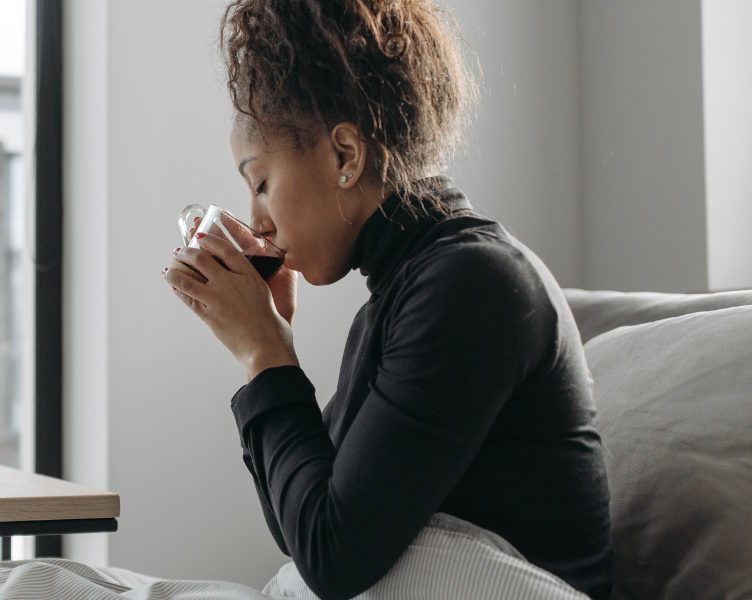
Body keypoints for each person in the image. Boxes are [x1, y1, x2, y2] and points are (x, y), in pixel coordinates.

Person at [162, 1, 613, 599]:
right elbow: (306, 529)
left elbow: (332, 557)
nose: (256, 222)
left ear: (345, 155)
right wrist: (270, 349)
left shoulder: (472, 284)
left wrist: (266, 357)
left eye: (261, 182)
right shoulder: (407, 292)